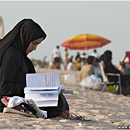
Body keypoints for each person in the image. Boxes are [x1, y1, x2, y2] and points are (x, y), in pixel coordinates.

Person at [0, 19, 70, 119]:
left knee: (56, 95)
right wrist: (26, 89)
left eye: (37, 44)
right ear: (25, 38)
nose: (35, 48)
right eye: (34, 43)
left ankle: (62, 111)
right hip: (7, 98)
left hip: (22, 94)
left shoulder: (22, 56)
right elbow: (4, 87)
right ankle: (60, 113)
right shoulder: (10, 55)